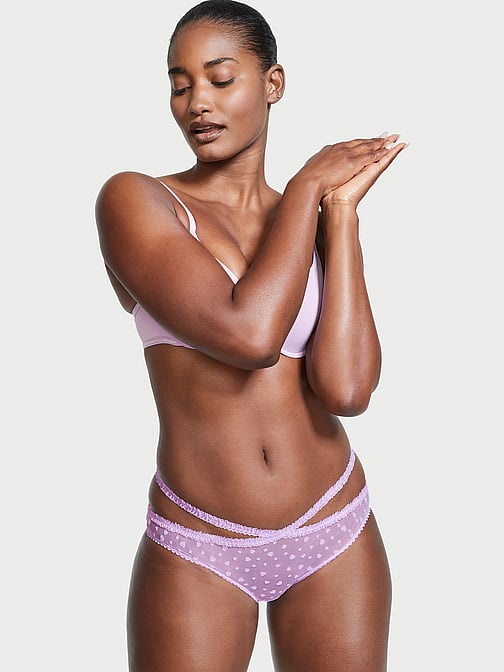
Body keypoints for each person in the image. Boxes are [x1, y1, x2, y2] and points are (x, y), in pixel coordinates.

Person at [95, 1, 407, 669]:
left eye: (220, 78)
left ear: (273, 83)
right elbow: (250, 336)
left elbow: (347, 391)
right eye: (180, 84)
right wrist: (307, 186)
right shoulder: (137, 200)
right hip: (200, 542)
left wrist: (340, 217)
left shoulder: (309, 218)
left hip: (335, 525)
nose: (197, 103)